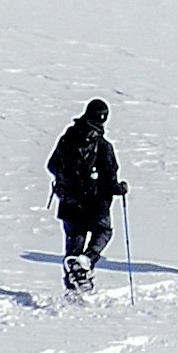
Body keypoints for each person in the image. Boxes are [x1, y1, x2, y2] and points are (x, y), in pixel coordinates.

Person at [46, 99, 124, 296]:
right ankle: (87, 261)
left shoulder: (67, 138)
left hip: (68, 202)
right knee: (104, 232)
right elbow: (110, 179)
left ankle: (72, 289)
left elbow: (52, 165)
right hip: (95, 204)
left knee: (73, 245)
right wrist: (120, 189)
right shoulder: (103, 146)